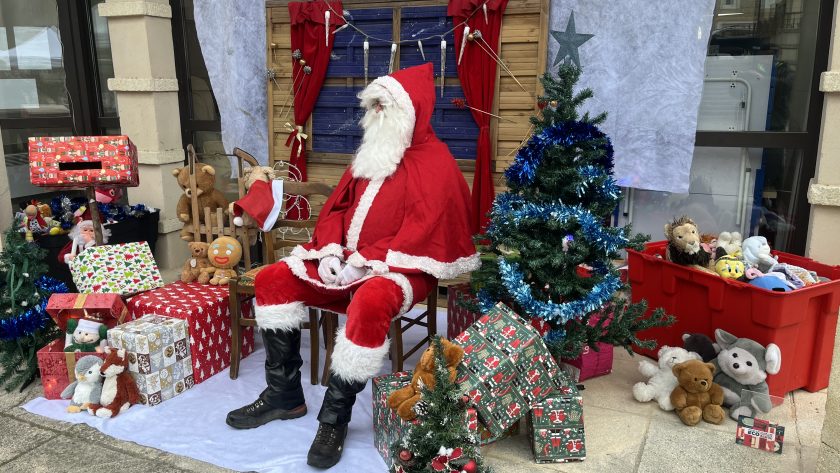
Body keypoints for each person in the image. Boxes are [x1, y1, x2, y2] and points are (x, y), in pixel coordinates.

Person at [225, 63, 479, 468]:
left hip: (405, 268)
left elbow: (424, 227)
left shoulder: (437, 163)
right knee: (274, 277)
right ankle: (284, 396)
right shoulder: (371, 154)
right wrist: (327, 250)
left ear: (411, 110)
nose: (376, 112)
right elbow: (336, 210)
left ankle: (334, 419)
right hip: (345, 260)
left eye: (384, 105)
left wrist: (368, 263)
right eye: (373, 104)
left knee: (371, 300)